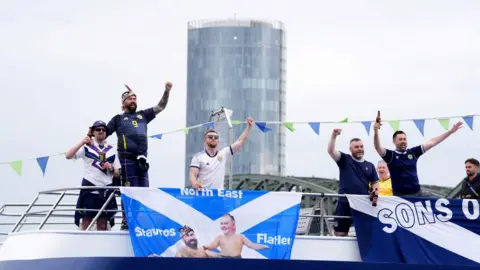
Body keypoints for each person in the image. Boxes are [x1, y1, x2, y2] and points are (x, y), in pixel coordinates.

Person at [106, 82, 173, 230]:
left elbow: (161, 106)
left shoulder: (143, 115)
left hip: (141, 161)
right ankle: (125, 220)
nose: (133, 101)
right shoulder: (117, 119)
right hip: (125, 160)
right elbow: (104, 133)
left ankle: (139, 220)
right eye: (130, 99)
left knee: (143, 192)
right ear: (123, 103)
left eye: (135, 98)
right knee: (128, 191)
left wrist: (166, 90)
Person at [373, 120, 463, 197]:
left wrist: (450, 132)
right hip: (400, 196)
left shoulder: (413, 152)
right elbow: (377, 147)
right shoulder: (390, 155)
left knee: (439, 200)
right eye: (400, 139)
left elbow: (432, 142)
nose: (403, 141)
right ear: (394, 141)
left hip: (417, 193)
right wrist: (376, 131)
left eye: (405, 139)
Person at [66, 121, 120, 231]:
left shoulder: (112, 150)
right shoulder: (87, 147)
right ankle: (83, 244)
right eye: (98, 129)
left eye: (104, 130)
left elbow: (118, 173)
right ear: (93, 132)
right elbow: (68, 155)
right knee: (86, 221)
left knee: (103, 223)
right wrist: (82, 142)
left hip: (106, 189)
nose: (101, 131)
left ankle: (103, 246)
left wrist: (111, 168)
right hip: (90, 187)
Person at [327, 128, 379, 236]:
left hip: (362, 204)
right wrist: (334, 136)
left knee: (364, 234)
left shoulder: (370, 165)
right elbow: (331, 151)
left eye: (361, 146)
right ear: (350, 149)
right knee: (340, 234)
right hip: (344, 203)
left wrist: (375, 191)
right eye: (356, 147)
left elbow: (375, 183)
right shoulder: (345, 159)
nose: (359, 149)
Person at [189, 117, 254, 190]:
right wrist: (195, 184)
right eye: (210, 137)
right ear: (205, 140)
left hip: (219, 197)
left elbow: (240, 141)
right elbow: (192, 175)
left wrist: (249, 127)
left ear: (218, 141)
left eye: (216, 137)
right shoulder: (198, 157)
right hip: (203, 196)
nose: (213, 138)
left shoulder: (223, 153)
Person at [202, 214, 269, 258]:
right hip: (223, 258)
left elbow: (251, 245)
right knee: (207, 252)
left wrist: (263, 246)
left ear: (233, 225)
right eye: (221, 224)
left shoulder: (240, 237)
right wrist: (206, 247)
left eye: (226, 223)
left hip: (236, 260)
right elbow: (212, 245)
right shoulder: (220, 237)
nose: (223, 226)